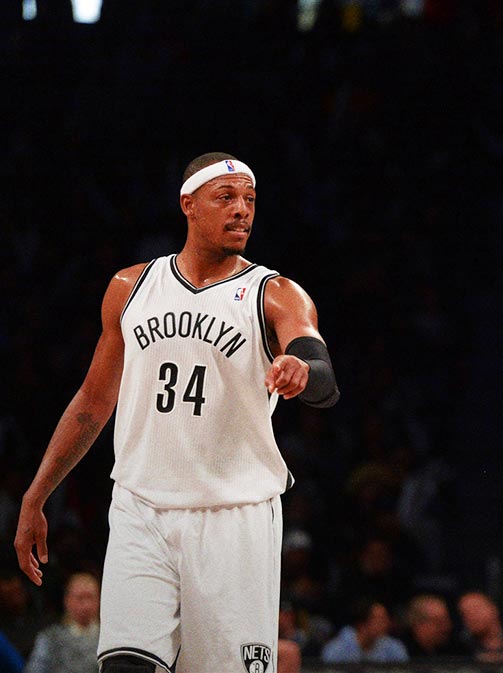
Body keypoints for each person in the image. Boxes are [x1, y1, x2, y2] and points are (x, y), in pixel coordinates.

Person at [13, 153, 341, 673]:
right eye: (226, 198)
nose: (242, 211)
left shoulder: (273, 292)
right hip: (142, 508)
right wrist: (37, 494)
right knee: (125, 665)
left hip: (235, 514)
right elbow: (93, 403)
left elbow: (318, 366)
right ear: (188, 204)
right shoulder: (130, 287)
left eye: (250, 200)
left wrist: (302, 369)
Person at [24, 571, 101, 673]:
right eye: (80, 598)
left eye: (90, 597)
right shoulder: (50, 638)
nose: (86, 605)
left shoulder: (110, 637)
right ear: (67, 600)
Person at [321, 599, 409, 663]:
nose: (386, 624)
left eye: (386, 619)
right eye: (380, 620)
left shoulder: (394, 648)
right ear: (362, 624)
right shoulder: (336, 650)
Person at [400, 593, 470, 658]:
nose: (446, 627)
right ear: (419, 624)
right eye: (439, 623)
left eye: (447, 620)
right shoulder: (400, 650)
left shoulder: (456, 648)